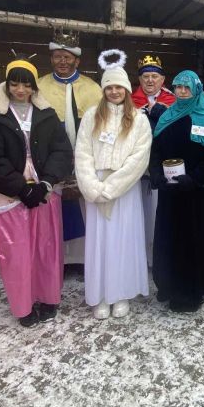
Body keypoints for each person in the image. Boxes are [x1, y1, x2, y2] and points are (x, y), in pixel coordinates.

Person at [0, 56, 73, 327]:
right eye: (15, 84)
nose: (21, 90)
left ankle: (48, 297)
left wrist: (46, 182)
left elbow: (61, 151)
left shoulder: (46, 115)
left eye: (27, 85)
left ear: (34, 87)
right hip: (9, 192)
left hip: (44, 191)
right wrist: (21, 188)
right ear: (7, 85)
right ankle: (23, 305)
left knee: (46, 248)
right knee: (17, 253)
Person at [74, 51, 152, 320]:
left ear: (127, 90)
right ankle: (101, 295)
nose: (114, 91)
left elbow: (139, 159)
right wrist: (92, 187)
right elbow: (82, 153)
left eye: (119, 87)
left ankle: (121, 293)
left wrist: (112, 188)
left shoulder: (139, 119)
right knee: (100, 243)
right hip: (96, 188)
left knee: (123, 241)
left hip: (123, 190)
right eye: (109, 87)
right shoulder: (91, 116)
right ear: (104, 90)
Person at [149, 70, 204, 312]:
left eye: (187, 88)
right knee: (168, 238)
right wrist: (157, 174)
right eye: (178, 87)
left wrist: (194, 178)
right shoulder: (168, 115)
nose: (182, 91)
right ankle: (168, 285)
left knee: (190, 240)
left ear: (196, 90)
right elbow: (156, 150)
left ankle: (189, 292)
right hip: (169, 192)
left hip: (194, 193)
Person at [38, 30, 103, 268]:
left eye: (67, 57)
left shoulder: (92, 88)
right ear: (51, 58)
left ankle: (83, 259)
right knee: (54, 204)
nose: (62, 62)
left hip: (84, 155)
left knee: (83, 204)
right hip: (51, 156)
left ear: (77, 60)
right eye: (57, 57)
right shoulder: (39, 86)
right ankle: (58, 260)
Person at [131, 54, 176, 267]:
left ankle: (160, 255)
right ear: (139, 80)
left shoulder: (173, 100)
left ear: (162, 79)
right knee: (140, 211)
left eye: (154, 76)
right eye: (145, 76)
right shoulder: (129, 101)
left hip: (163, 164)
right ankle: (141, 255)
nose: (150, 80)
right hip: (138, 165)